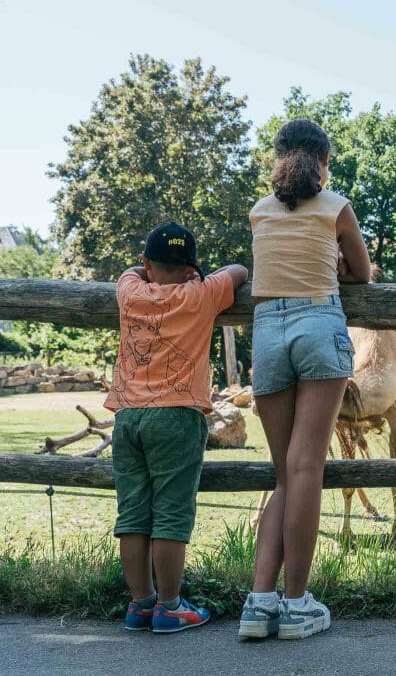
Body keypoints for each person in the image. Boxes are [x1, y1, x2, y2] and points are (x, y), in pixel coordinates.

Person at [239, 119, 371, 641]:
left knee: (284, 475)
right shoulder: (336, 207)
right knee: (306, 469)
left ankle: (258, 604)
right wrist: (336, 262)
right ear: (323, 161)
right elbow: (362, 273)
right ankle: (296, 604)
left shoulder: (259, 212)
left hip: (268, 330)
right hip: (318, 320)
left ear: (279, 159)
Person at [105, 221, 248, 633]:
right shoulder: (202, 293)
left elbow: (128, 273)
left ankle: (141, 604)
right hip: (177, 415)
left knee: (133, 512)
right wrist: (200, 276)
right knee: (170, 512)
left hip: (128, 414)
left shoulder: (130, 291)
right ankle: (170, 607)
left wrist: (143, 270)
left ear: (147, 262)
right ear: (191, 267)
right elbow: (239, 271)